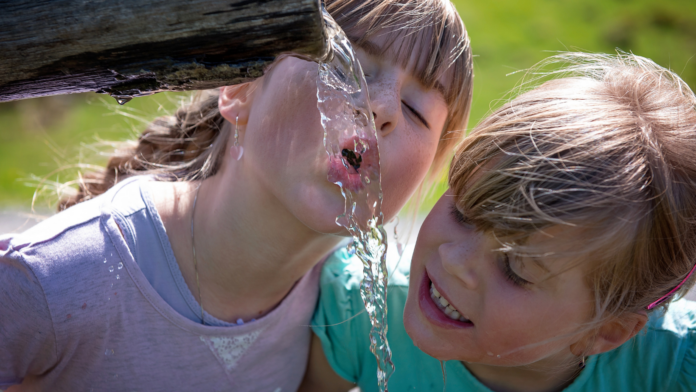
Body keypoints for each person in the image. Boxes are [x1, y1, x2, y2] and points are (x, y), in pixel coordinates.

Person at [0, 1, 474, 390]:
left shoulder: (344, 314)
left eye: (416, 110)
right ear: (240, 89)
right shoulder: (61, 276)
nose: (382, 108)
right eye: (348, 67)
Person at [303, 52, 696, 392]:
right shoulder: (363, 311)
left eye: (514, 269)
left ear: (604, 332)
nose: (455, 260)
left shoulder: (670, 370)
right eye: (463, 213)